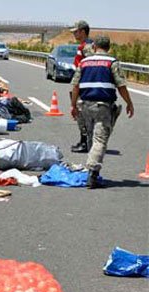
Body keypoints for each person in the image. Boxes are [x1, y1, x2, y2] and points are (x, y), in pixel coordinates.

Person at [70, 35, 134, 189]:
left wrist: (73, 106)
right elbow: (121, 85)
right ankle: (92, 174)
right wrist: (129, 103)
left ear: (94, 47)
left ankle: (93, 172)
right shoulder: (112, 62)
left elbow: (75, 86)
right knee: (100, 140)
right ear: (109, 47)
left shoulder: (84, 62)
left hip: (85, 106)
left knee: (92, 138)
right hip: (103, 106)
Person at [70, 20, 94, 153]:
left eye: (76, 31)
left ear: (83, 32)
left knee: (81, 114)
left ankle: (85, 143)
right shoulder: (85, 46)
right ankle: (84, 141)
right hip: (83, 85)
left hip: (84, 86)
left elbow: (89, 67)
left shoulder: (87, 47)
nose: (74, 34)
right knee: (82, 115)